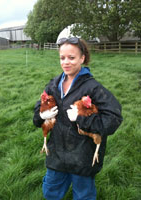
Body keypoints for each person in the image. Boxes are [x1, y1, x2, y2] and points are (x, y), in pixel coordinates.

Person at [33, 37, 123, 200]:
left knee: (83, 195)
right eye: (62, 58)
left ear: (82, 58)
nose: (66, 62)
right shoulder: (53, 85)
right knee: (50, 191)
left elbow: (114, 118)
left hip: (84, 155)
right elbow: (38, 108)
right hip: (57, 153)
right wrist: (41, 116)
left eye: (72, 58)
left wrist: (83, 119)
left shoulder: (93, 87)